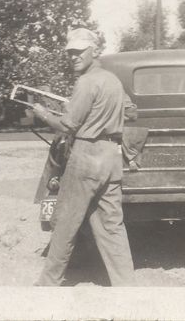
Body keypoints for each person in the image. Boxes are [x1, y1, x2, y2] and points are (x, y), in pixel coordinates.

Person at [32, 28, 135, 286]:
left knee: (65, 223)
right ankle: (127, 287)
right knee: (112, 226)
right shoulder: (113, 81)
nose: (73, 57)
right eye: (70, 53)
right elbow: (131, 112)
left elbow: (68, 126)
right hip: (111, 158)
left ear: (94, 51)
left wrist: (42, 113)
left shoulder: (86, 82)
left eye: (79, 52)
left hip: (86, 156)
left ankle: (47, 285)